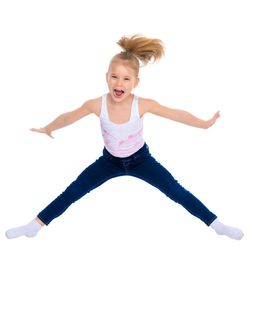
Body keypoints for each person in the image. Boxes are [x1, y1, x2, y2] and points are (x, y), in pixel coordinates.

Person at [5, 34, 244, 240]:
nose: (119, 83)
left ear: (135, 83)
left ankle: (217, 225)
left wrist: (203, 124)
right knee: (74, 190)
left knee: (176, 191)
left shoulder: (142, 105)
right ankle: (35, 225)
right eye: (114, 77)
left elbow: (175, 114)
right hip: (109, 161)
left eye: (126, 79)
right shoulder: (96, 104)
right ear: (106, 77)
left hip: (141, 159)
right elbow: (69, 117)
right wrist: (49, 127)